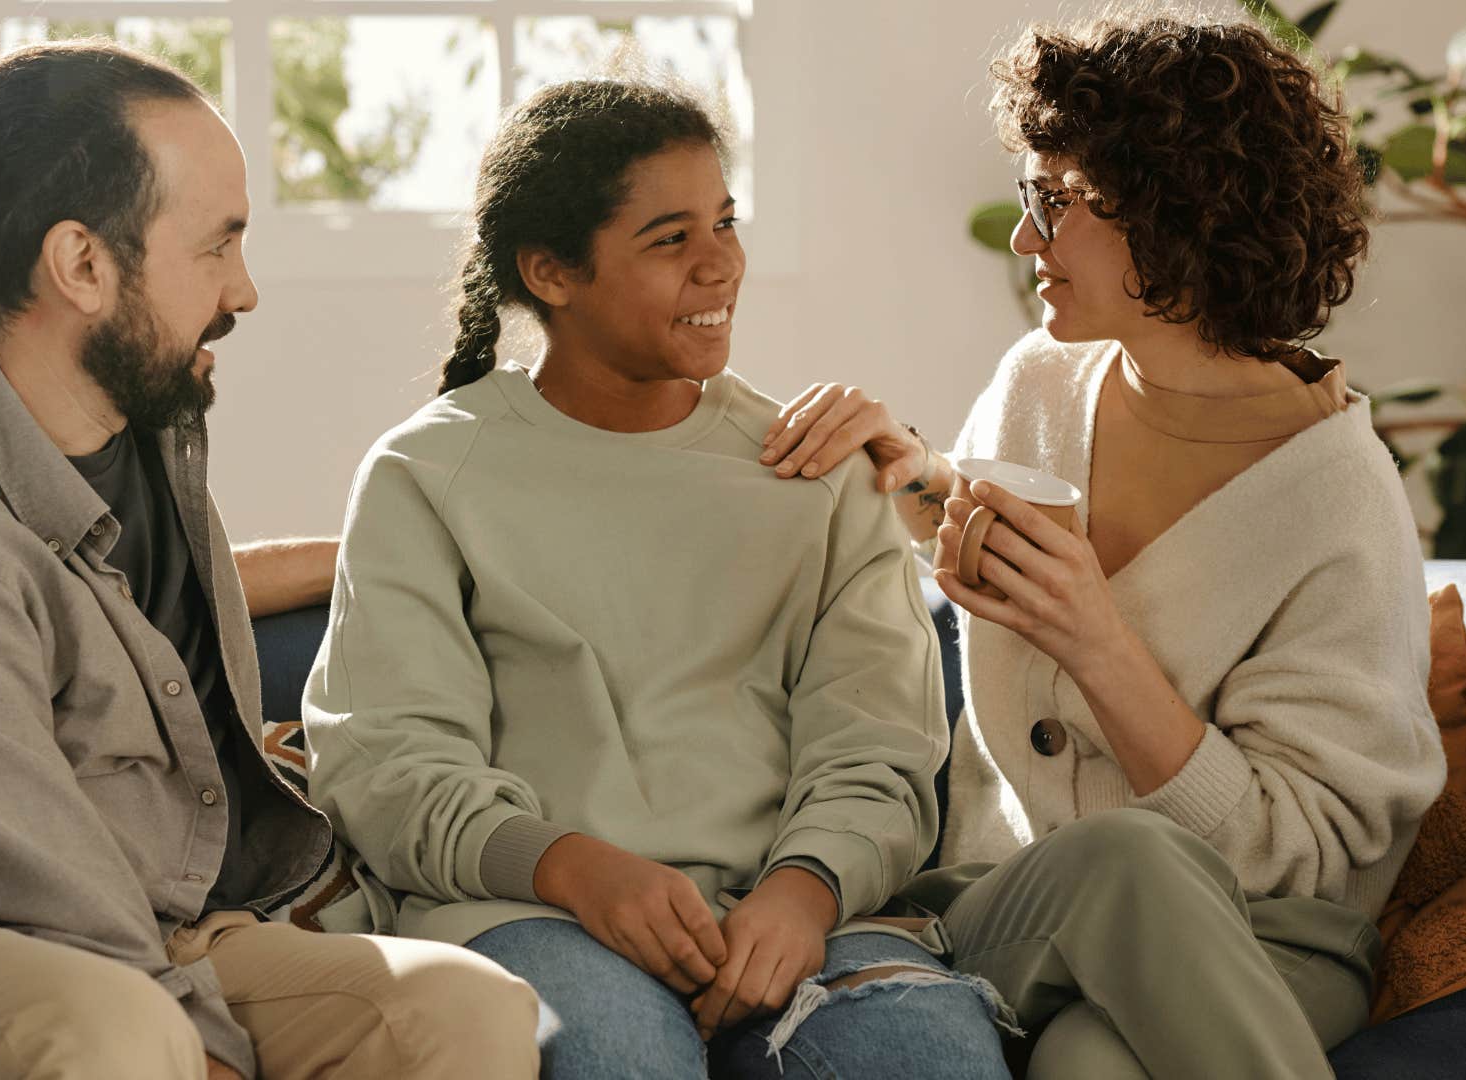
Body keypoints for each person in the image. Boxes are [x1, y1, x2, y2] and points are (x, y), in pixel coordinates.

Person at [0, 40, 539, 1080]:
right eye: (217, 247)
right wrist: (211, 1045)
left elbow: (100, 601)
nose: (243, 291)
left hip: (158, 923)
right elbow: (34, 886)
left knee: (459, 1010)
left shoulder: (138, 423)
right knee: (121, 1035)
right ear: (83, 265)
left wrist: (381, 554)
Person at [758, 11, 1446, 1078]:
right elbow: (995, 556)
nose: (1025, 239)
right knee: (1115, 863)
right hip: (1013, 910)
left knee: (1089, 1061)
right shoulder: (1041, 382)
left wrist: (1099, 643)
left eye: (1055, 202)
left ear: (1178, 210)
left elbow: (1297, 856)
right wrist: (917, 476)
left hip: (1271, 943)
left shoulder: (1338, 498)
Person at [302, 79, 1011, 1080]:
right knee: (618, 1059)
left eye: (724, 221)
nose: (722, 262)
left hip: (802, 919)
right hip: (534, 915)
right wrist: (572, 865)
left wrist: (806, 889)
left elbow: (880, 747)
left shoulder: (812, 473)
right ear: (551, 270)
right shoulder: (427, 473)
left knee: (928, 1058)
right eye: (670, 238)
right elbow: (386, 760)